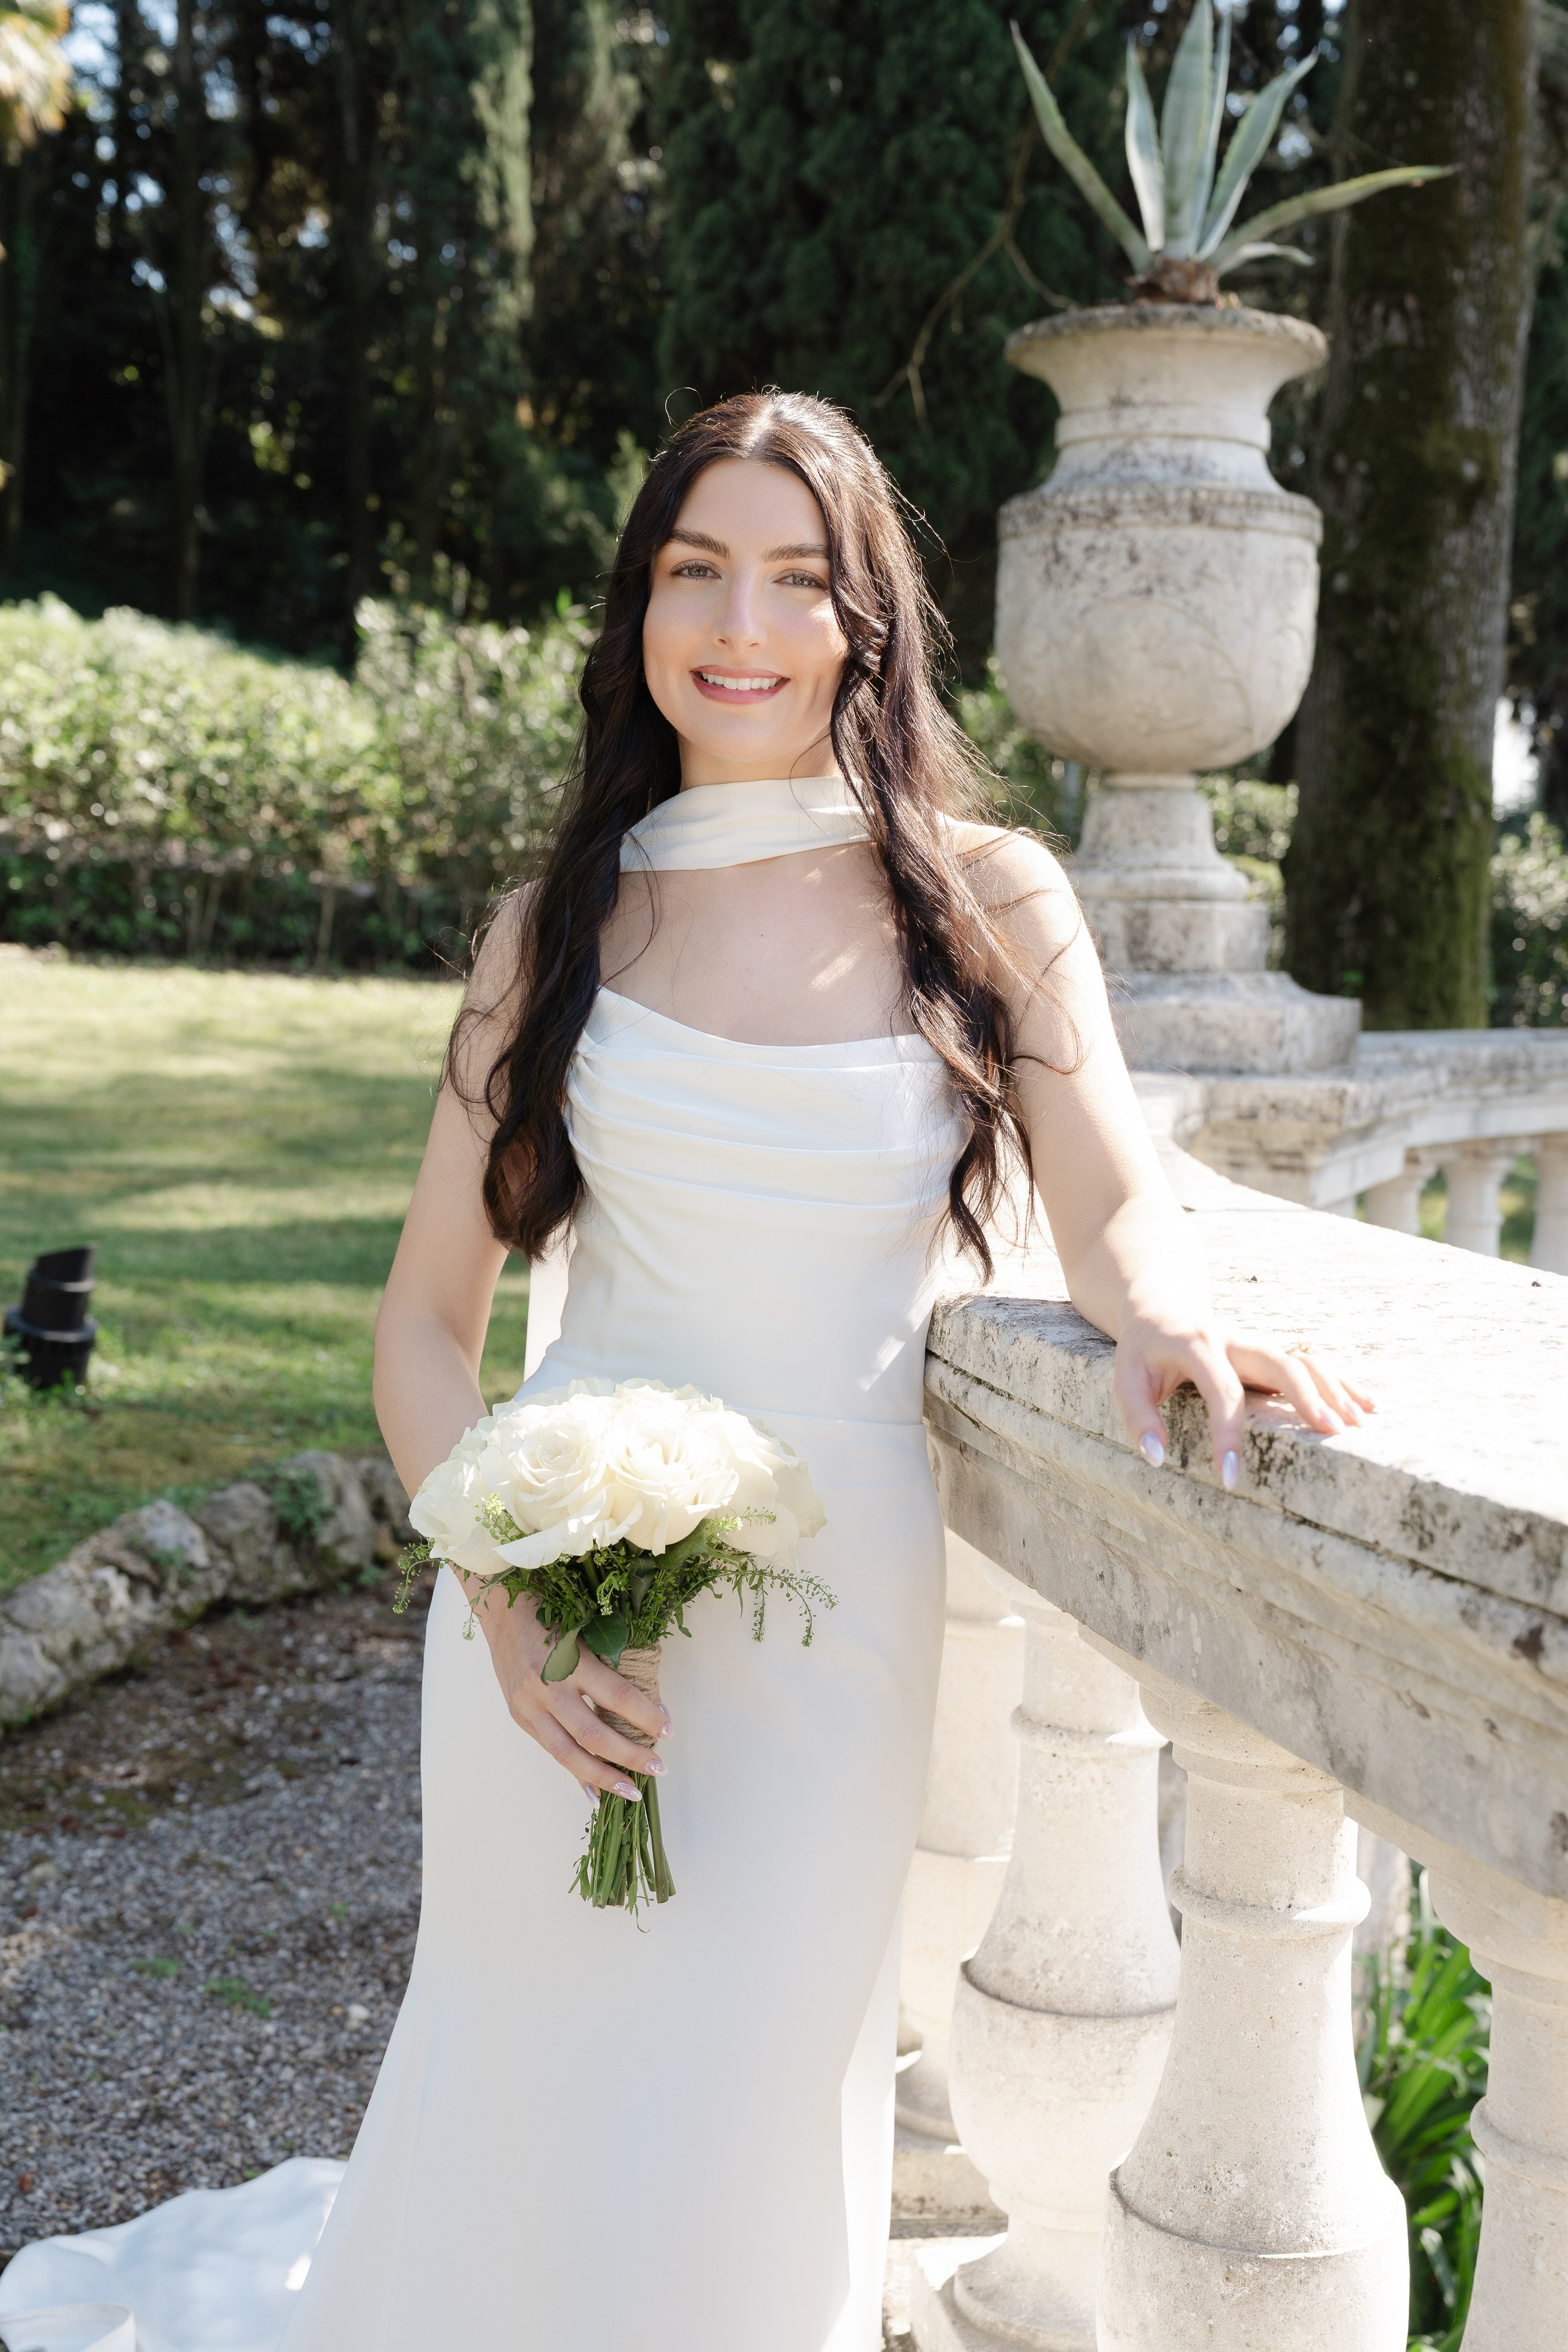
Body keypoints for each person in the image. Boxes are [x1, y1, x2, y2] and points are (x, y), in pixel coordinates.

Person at [0, 391, 1369, 2352]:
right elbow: (419, 1323)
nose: (742, 621)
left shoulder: (986, 900)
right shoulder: (556, 924)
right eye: (694, 569)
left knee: (743, 2118)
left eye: (800, 579)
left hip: (837, 1632)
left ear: (868, 623)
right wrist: (499, 1596)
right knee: (529, 2100)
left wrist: (1161, 1318)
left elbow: (1113, 1201)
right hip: (553, 1615)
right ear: (640, 604)